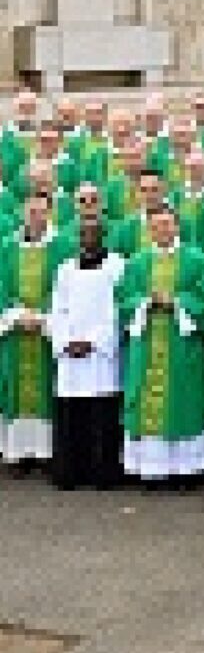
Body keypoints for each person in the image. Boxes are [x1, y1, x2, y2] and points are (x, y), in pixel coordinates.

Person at [116, 202, 204, 484]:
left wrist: (177, 302)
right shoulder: (137, 262)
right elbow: (123, 299)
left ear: (177, 226)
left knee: (184, 401)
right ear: (149, 229)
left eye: (167, 224)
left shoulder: (197, 259)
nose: (162, 229)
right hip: (148, 340)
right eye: (156, 225)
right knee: (148, 401)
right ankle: (151, 468)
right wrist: (145, 303)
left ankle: (187, 469)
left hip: (182, 343)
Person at [49, 219, 123, 490]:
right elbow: (58, 308)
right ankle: (70, 473)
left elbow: (116, 310)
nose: (87, 238)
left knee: (101, 415)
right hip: (71, 355)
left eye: (93, 233)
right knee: (71, 415)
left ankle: (102, 473)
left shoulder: (116, 266)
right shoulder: (66, 269)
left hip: (100, 355)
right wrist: (67, 341)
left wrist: (93, 342)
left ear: (103, 235)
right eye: (82, 234)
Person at [0, 191, 72, 465]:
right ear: (22, 212)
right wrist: (17, 315)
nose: (35, 216)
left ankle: (46, 452)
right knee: (14, 388)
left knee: (47, 387)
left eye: (41, 211)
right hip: (15, 329)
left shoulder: (63, 245)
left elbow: (66, 288)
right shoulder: (7, 247)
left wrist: (44, 318)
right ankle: (18, 453)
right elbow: (2, 286)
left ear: (50, 212)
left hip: (47, 329)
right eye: (31, 211)